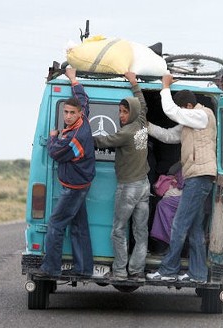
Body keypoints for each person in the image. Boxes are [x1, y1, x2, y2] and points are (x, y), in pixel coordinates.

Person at [146, 74, 217, 283]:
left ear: (188, 105)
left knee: (179, 224)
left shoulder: (201, 115)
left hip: (198, 178)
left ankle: (168, 270)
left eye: (182, 109)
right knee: (194, 228)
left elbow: (172, 111)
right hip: (197, 178)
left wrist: (165, 87)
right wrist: (147, 125)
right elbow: (168, 136)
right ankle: (197, 274)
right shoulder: (191, 124)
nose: (180, 114)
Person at [35, 67, 96, 278]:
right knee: (79, 227)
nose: (68, 116)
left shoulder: (76, 137)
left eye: (72, 113)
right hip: (80, 184)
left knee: (56, 224)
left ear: (79, 114)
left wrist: (53, 136)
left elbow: (55, 153)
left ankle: (50, 268)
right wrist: (73, 79)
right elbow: (83, 97)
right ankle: (84, 269)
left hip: (73, 188)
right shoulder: (84, 118)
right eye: (66, 112)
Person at [93, 72, 150, 282]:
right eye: (119, 111)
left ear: (131, 113)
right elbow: (142, 103)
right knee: (140, 232)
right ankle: (137, 270)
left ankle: (119, 271)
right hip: (144, 185)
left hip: (129, 188)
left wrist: (79, 137)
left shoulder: (125, 133)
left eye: (125, 112)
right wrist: (134, 83)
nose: (121, 116)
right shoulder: (142, 122)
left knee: (118, 230)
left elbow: (102, 142)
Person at [149, 163, 183, 250]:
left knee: (162, 205)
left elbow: (173, 173)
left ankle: (168, 242)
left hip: (183, 196)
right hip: (183, 194)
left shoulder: (186, 164)